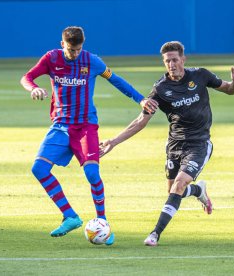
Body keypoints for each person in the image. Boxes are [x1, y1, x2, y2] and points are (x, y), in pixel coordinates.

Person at [100, 41, 234, 246]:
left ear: (183, 59)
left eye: (175, 60)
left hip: (199, 144)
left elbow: (229, 89)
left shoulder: (201, 75)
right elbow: (141, 121)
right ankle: (198, 191)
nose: (171, 64)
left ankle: (155, 234)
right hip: (174, 145)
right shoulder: (160, 88)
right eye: (167, 61)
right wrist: (114, 142)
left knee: (178, 185)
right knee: (173, 191)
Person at [20, 26, 158, 244]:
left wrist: (140, 99)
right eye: (71, 50)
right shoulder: (51, 58)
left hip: (85, 127)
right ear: (62, 43)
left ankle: (103, 224)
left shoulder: (92, 61)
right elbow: (27, 77)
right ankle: (70, 216)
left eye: (78, 49)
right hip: (61, 126)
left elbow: (116, 80)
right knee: (39, 168)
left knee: (92, 175)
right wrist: (33, 88)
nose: (75, 54)